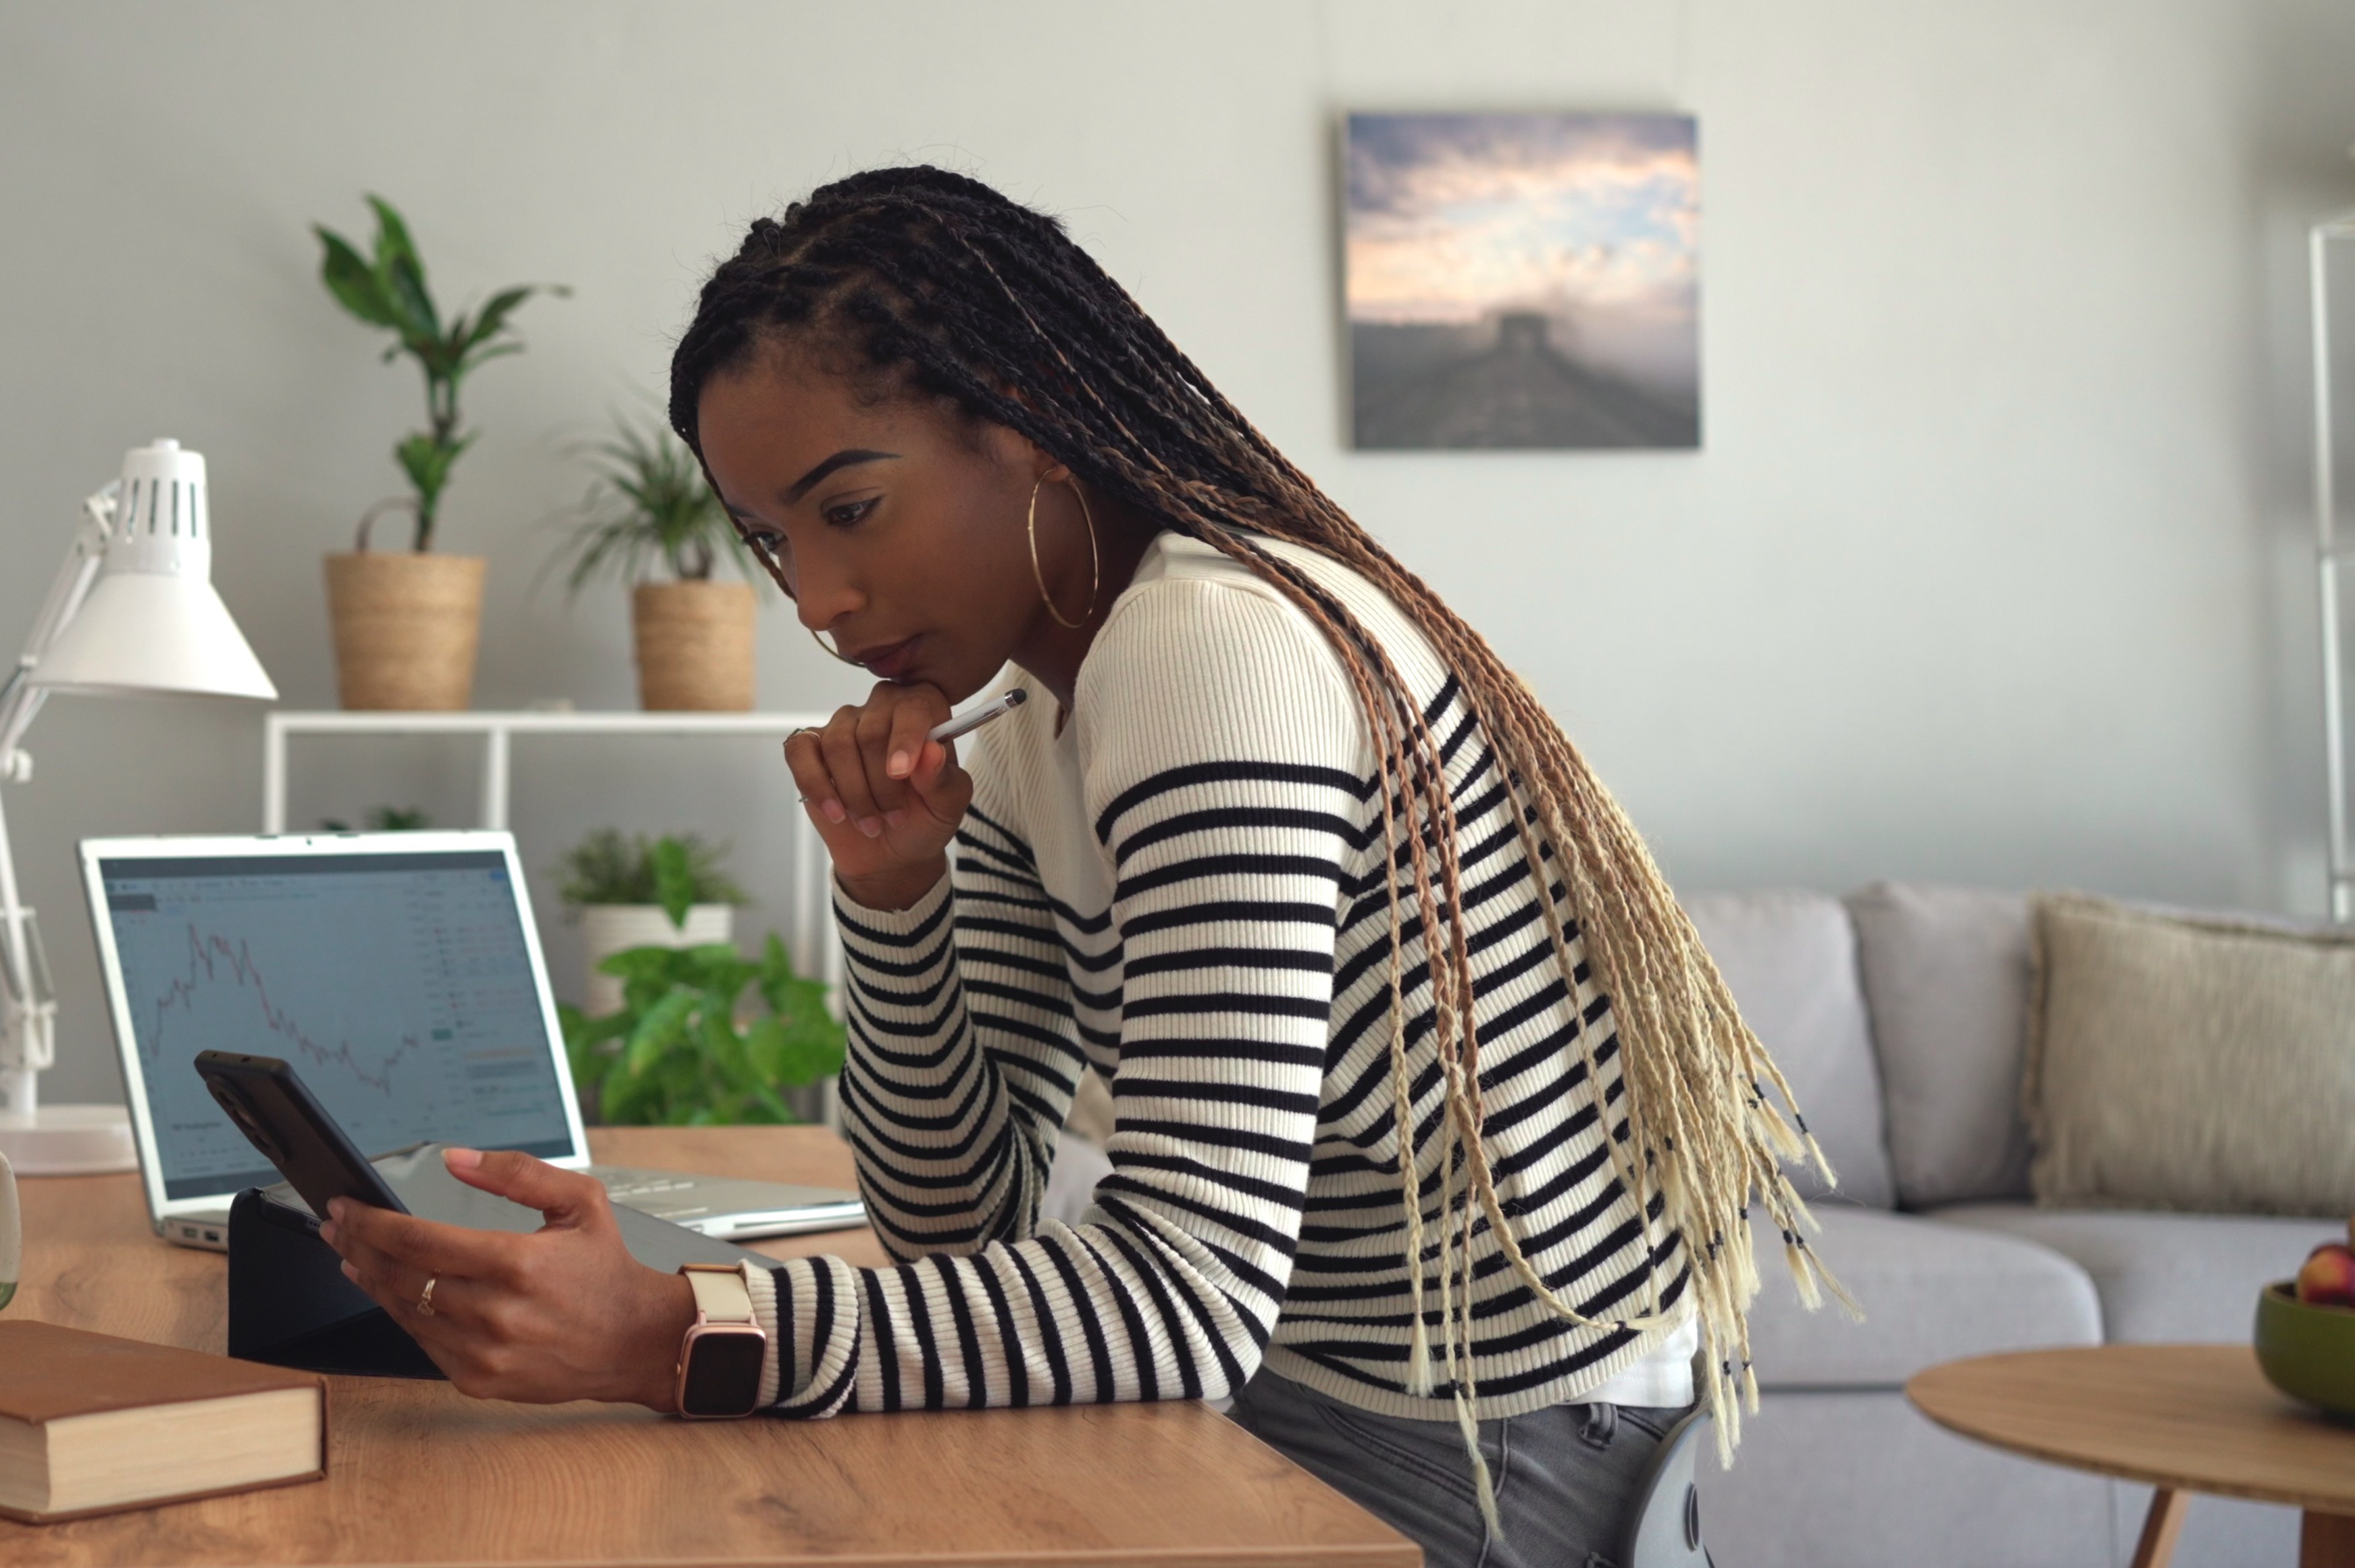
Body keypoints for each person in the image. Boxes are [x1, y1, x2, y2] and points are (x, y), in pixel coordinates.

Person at [317, 166, 1842, 1565]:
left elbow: (1181, 1300)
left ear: (1029, 414)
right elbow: (959, 1223)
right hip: (1329, 1387)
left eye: (850, 507)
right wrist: (895, 902)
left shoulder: (1207, 645)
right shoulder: (1044, 704)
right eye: (776, 543)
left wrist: (678, 1334)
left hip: (1498, 1447)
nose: (820, 601)